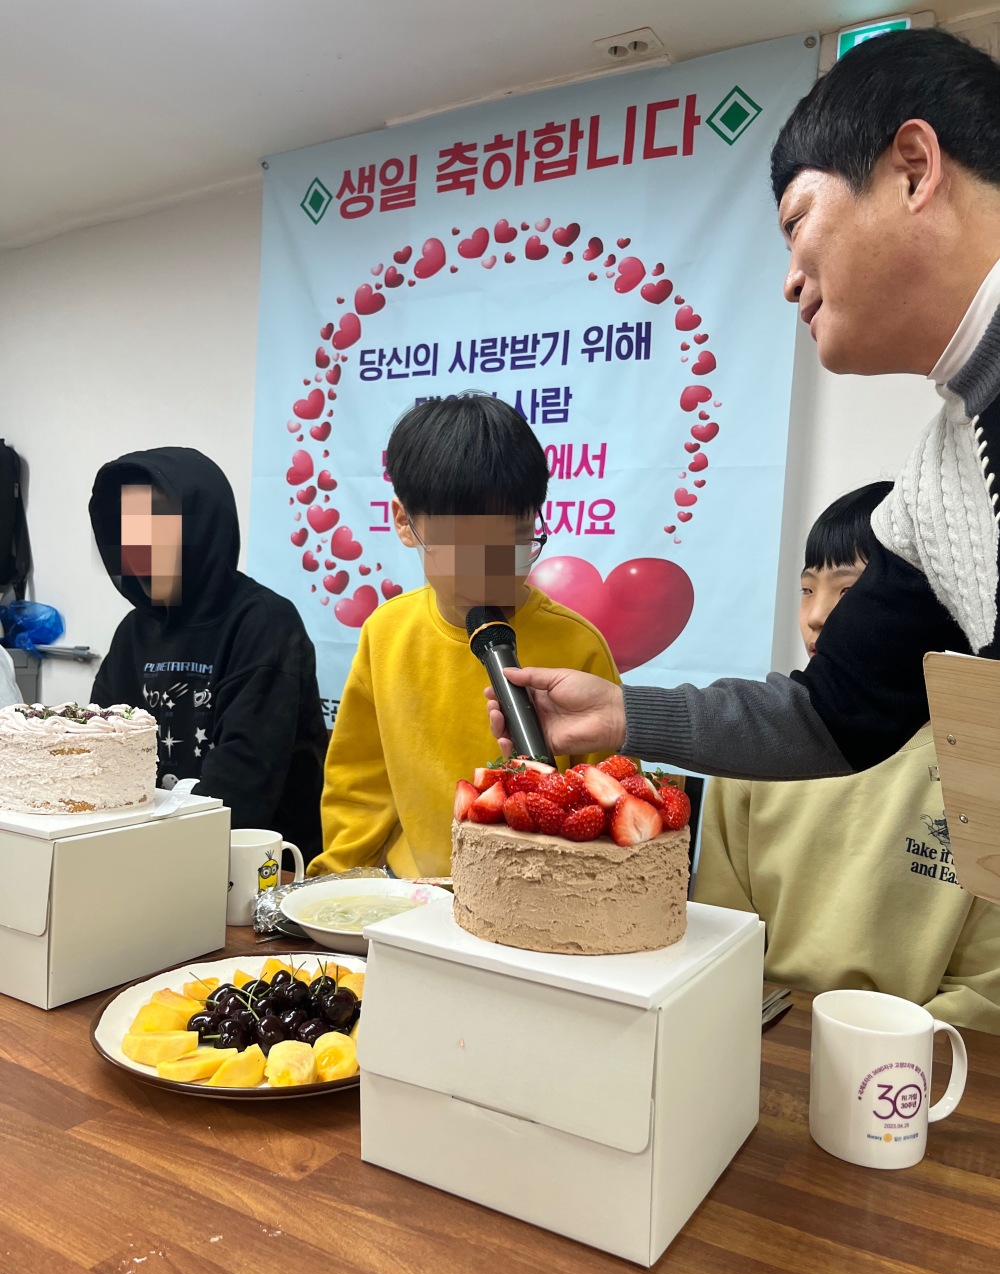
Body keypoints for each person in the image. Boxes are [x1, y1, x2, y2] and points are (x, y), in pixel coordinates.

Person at [487, 29, 1000, 786]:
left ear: (914, 170)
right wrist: (624, 713)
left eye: (797, 223)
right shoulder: (934, 483)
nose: (790, 280)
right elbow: (832, 715)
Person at [695, 482, 1000, 1034]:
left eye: (849, 591)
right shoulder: (758, 748)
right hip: (762, 1030)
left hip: (919, 1056)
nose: (815, 615)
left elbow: (985, 990)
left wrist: (883, 1048)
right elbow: (719, 929)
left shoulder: (979, 762)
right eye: (806, 589)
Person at [307, 393, 620, 880]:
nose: (489, 569)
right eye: (464, 546)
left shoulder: (578, 646)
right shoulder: (386, 633)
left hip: (540, 896)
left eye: (514, 542)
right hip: (414, 894)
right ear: (405, 522)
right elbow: (359, 785)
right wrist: (339, 885)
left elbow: (610, 803)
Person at [89, 447, 327, 862]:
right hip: (142, 856)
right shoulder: (133, 632)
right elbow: (100, 755)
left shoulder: (263, 623)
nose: (139, 549)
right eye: (128, 530)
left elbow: (242, 790)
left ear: (199, 529)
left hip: (259, 869)